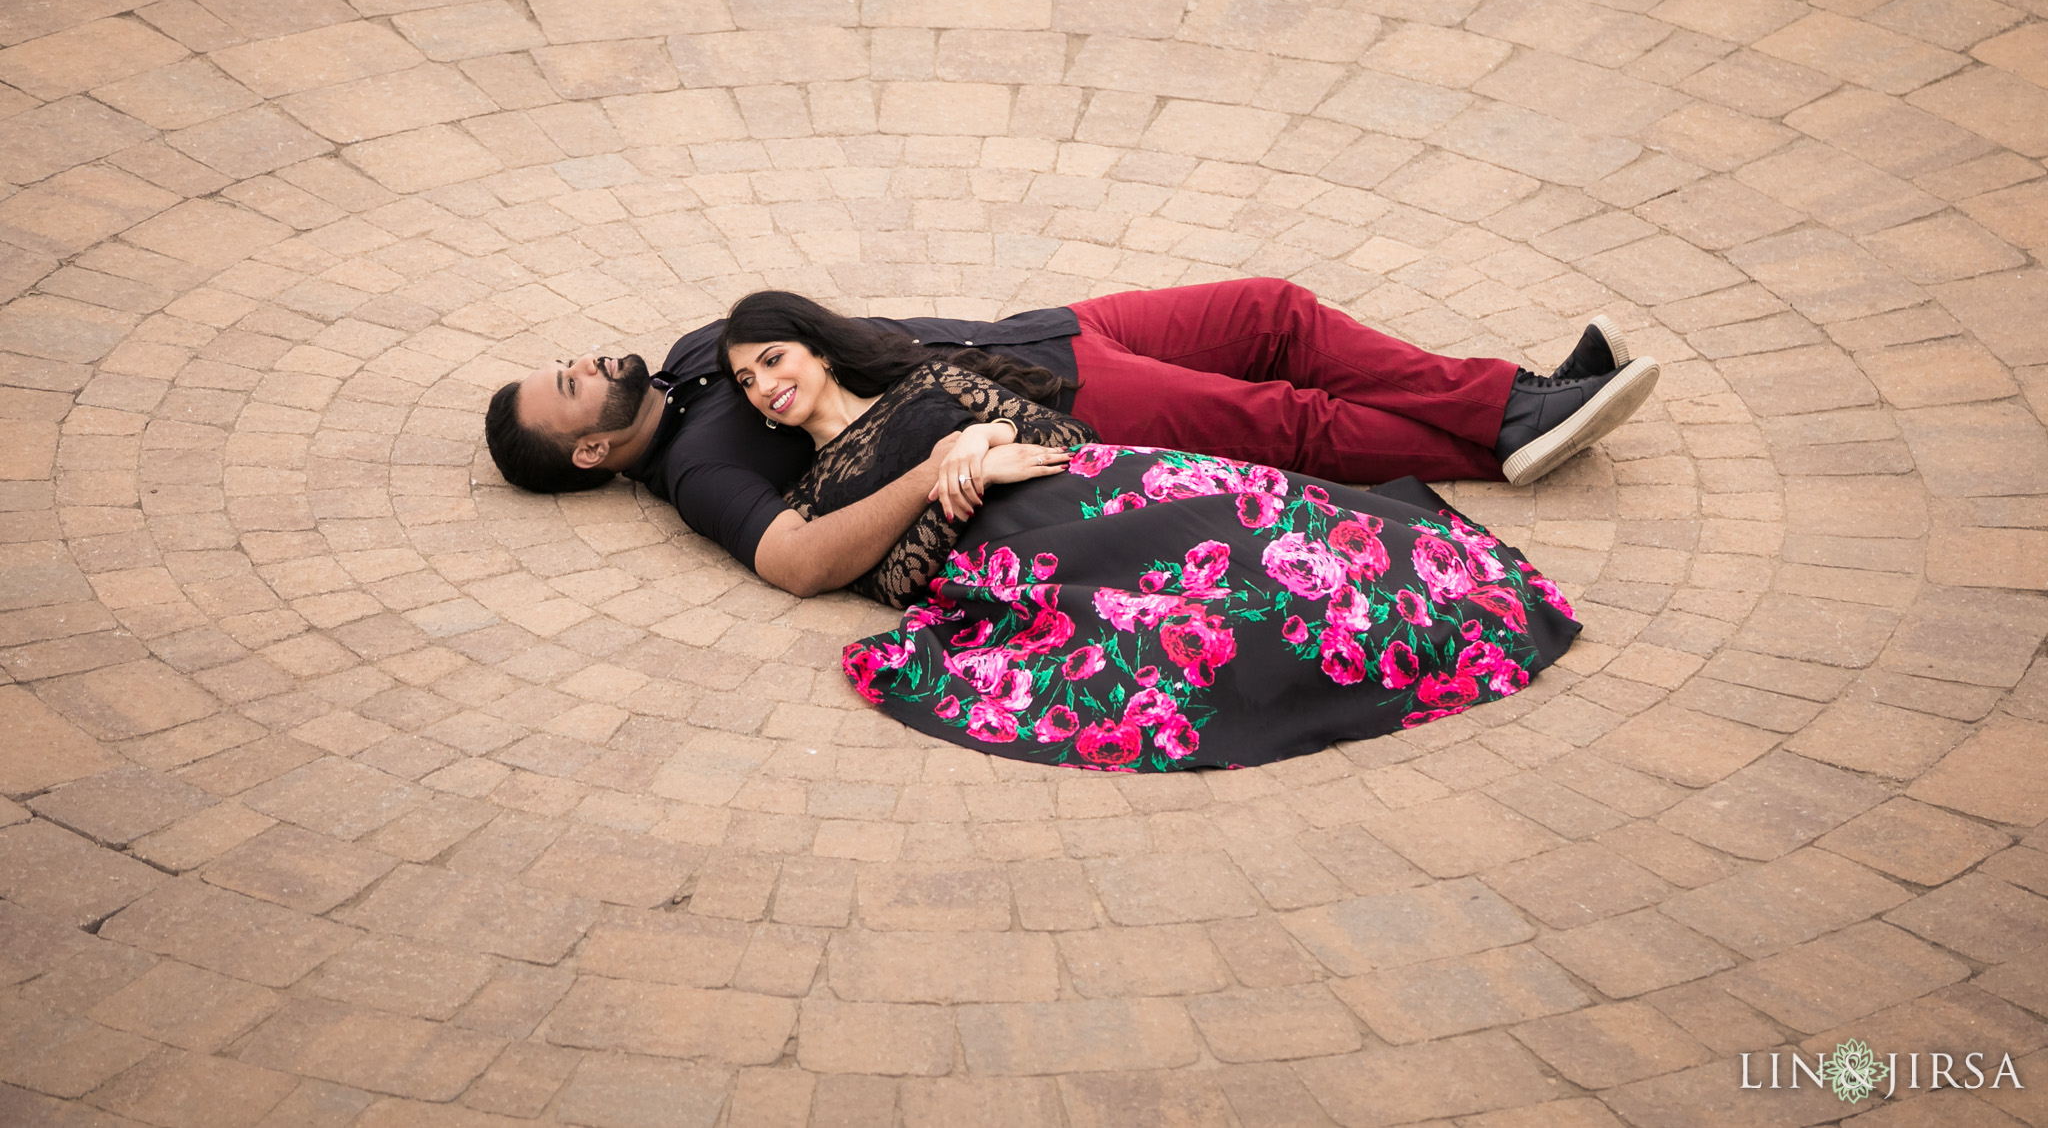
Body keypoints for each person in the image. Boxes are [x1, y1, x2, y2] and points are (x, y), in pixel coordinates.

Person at [713, 291, 1581, 771]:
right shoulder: (819, 490)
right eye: (747, 380)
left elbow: (1052, 436)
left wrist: (981, 441)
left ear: (817, 349)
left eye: (773, 358)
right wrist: (947, 476)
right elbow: (895, 576)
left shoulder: (929, 377)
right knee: (1225, 629)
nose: (763, 384)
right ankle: (1516, 419)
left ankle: (1514, 414)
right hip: (1018, 562)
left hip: (1094, 486)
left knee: (1288, 528)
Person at [484, 278, 1659, 598]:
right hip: (1054, 406)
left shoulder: (687, 372)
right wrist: (945, 469)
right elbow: (794, 561)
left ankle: (1512, 396)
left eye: (563, 360)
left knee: (1272, 312)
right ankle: (1508, 430)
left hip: (1040, 332)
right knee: (1283, 425)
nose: (580, 363)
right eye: (565, 389)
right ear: (587, 454)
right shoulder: (699, 470)